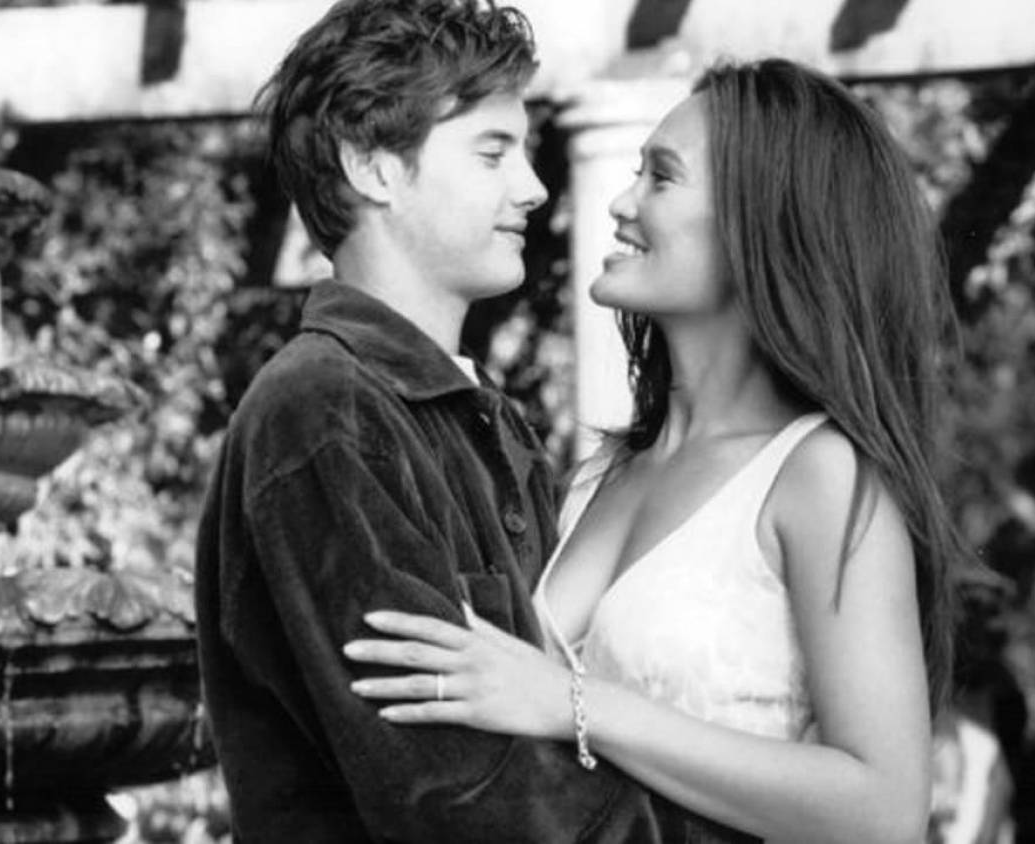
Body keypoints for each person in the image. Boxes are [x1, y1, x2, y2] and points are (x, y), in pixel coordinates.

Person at [344, 58, 965, 844]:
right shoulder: (597, 476)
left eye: (661, 178)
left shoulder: (820, 476)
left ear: (759, 223)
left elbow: (885, 809)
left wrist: (570, 703)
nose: (621, 202)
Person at [194, 1, 752, 840]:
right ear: (373, 168)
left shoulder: (477, 416)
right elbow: (458, 795)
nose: (532, 187)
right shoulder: (323, 413)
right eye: (492, 153)